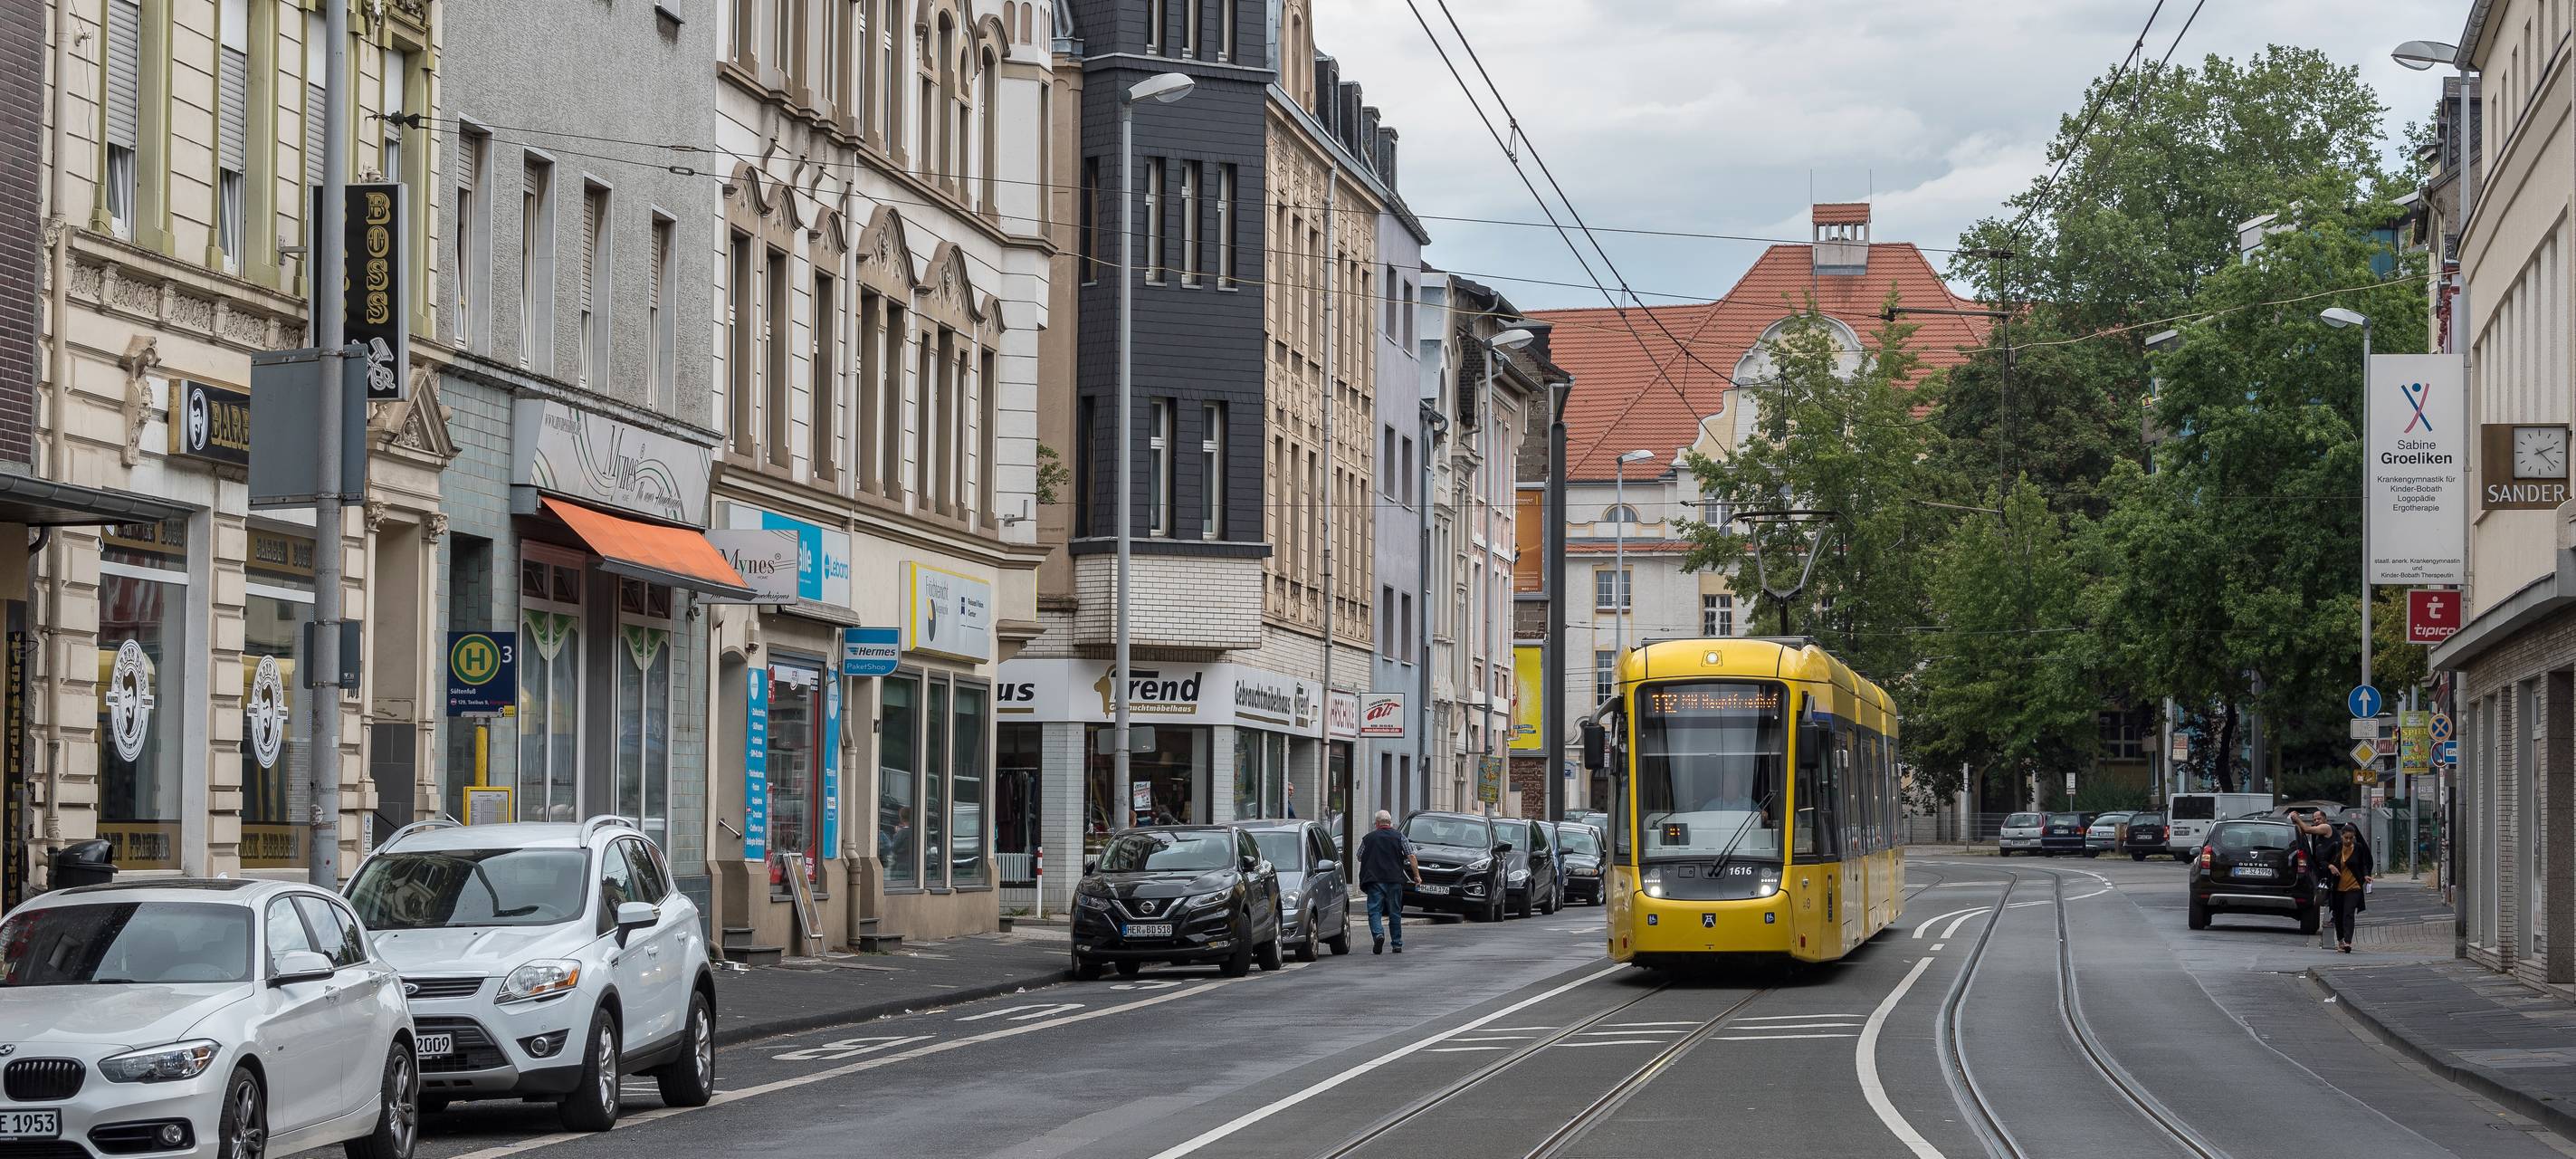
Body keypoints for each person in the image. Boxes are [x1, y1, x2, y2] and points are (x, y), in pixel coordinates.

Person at [1356, 810, 1419, 955]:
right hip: (1394, 880)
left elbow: (1359, 856)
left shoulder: (1368, 838)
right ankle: (1397, 944)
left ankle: (1378, 934)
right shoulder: (1400, 837)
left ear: (1377, 823)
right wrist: (1416, 876)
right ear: (1390, 823)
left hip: (1375, 880)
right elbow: (1411, 856)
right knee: (1395, 912)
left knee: (1374, 911)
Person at [2323, 819, 2375, 953]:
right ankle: (2340, 940)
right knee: (2339, 914)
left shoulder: (2358, 848)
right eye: (2346, 838)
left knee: (2349, 913)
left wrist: (2365, 875)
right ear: (2342, 836)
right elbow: (2322, 860)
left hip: (2353, 886)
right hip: (2338, 887)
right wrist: (2331, 866)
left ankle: (2348, 942)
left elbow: (2363, 864)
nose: (2348, 841)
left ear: (2354, 837)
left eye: (2351, 838)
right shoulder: (2335, 846)